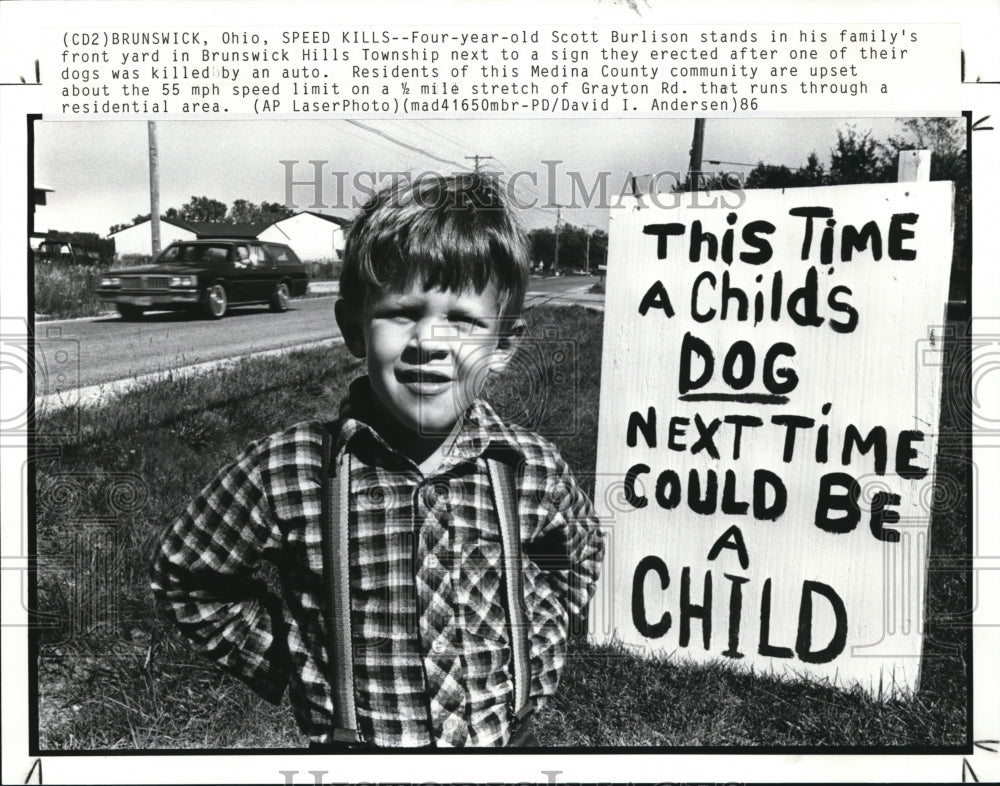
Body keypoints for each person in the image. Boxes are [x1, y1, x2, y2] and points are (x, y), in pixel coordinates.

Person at [150, 172, 605, 749]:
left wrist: (537, 649)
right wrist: (294, 663)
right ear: (354, 329)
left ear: (504, 344)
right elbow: (185, 576)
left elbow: (578, 550)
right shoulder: (290, 469)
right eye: (402, 312)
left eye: (463, 321)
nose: (430, 343)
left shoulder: (529, 467)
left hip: (502, 746)